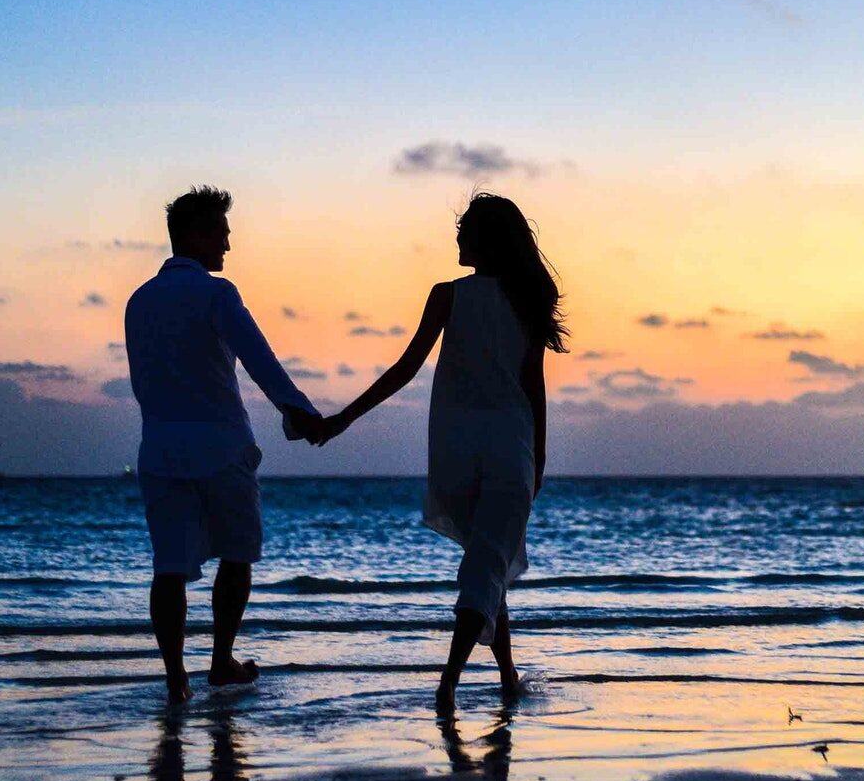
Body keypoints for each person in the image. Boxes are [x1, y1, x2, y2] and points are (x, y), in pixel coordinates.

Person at [321, 192, 567, 716]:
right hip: (510, 449)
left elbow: (405, 369)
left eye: (464, 230)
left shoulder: (447, 295)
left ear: (485, 239)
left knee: (485, 561)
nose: (457, 238)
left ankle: (507, 677)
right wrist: (539, 458)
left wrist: (343, 418)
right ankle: (449, 683)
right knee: (484, 567)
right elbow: (533, 387)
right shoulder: (526, 300)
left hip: (456, 451)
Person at [125, 185, 322, 704]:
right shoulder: (217, 294)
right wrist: (299, 413)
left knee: (169, 568)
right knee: (237, 555)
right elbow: (259, 359)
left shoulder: (138, 301)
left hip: (160, 449)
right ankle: (220, 661)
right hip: (220, 447)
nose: (228, 247)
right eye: (222, 234)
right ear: (195, 234)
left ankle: (175, 678)